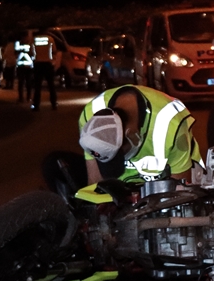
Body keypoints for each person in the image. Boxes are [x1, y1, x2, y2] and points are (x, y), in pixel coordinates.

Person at [44, 84, 203, 200]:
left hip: (165, 182)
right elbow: (95, 182)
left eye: (118, 155)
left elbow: (180, 193)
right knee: (53, 164)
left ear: (132, 136)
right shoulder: (91, 117)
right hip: (121, 188)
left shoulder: (170, 125)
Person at [30, 31, 58, 111]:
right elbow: (54, 50)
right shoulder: (50, 38)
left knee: (37, 86)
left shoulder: (34, 39)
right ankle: (54, 104)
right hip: (48, 63)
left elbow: (31, 51)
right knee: (51, 85)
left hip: (38, 64)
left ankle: (36, 105)